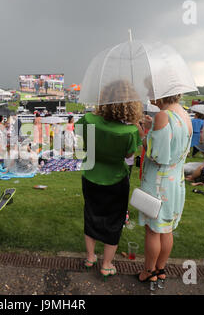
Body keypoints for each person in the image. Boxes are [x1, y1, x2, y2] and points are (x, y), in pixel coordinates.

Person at [75, 80, 143, 281]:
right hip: (116, 178)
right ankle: (106, 264)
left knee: (91, 213)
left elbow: (81, 140)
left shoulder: (88, 119)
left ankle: (90, 257)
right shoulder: (130, 131)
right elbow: (129, 154)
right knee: (114, 220)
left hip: (91, 174)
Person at [137, 94, 192, 286]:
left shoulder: (163, 115)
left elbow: (155, 154)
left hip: (159, 183)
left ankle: (148, 271)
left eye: (152, 90)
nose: (150, 94)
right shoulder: (184, 115)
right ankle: (160, 269)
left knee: (153, 230)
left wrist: (142, 132)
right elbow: (173, 144)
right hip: (176, 181)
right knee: (166, 229)